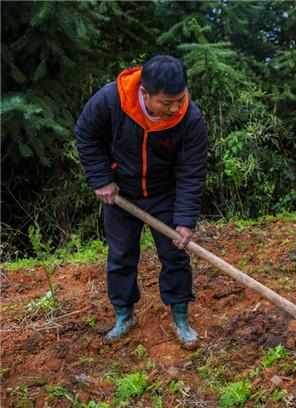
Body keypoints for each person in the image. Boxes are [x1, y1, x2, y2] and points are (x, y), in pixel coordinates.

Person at [75, 55, 208, 349]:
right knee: (121, 256)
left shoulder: (190, 119)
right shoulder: (111, 101)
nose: (174, 108)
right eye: (166, 102)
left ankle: (180, 317)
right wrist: (101, 179)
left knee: (175, 257)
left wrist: (184, 220)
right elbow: (86, 135)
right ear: (144, 93)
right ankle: (124, 315)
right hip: (121, 193)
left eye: (180, 99)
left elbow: (191, 171)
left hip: (165, 195)